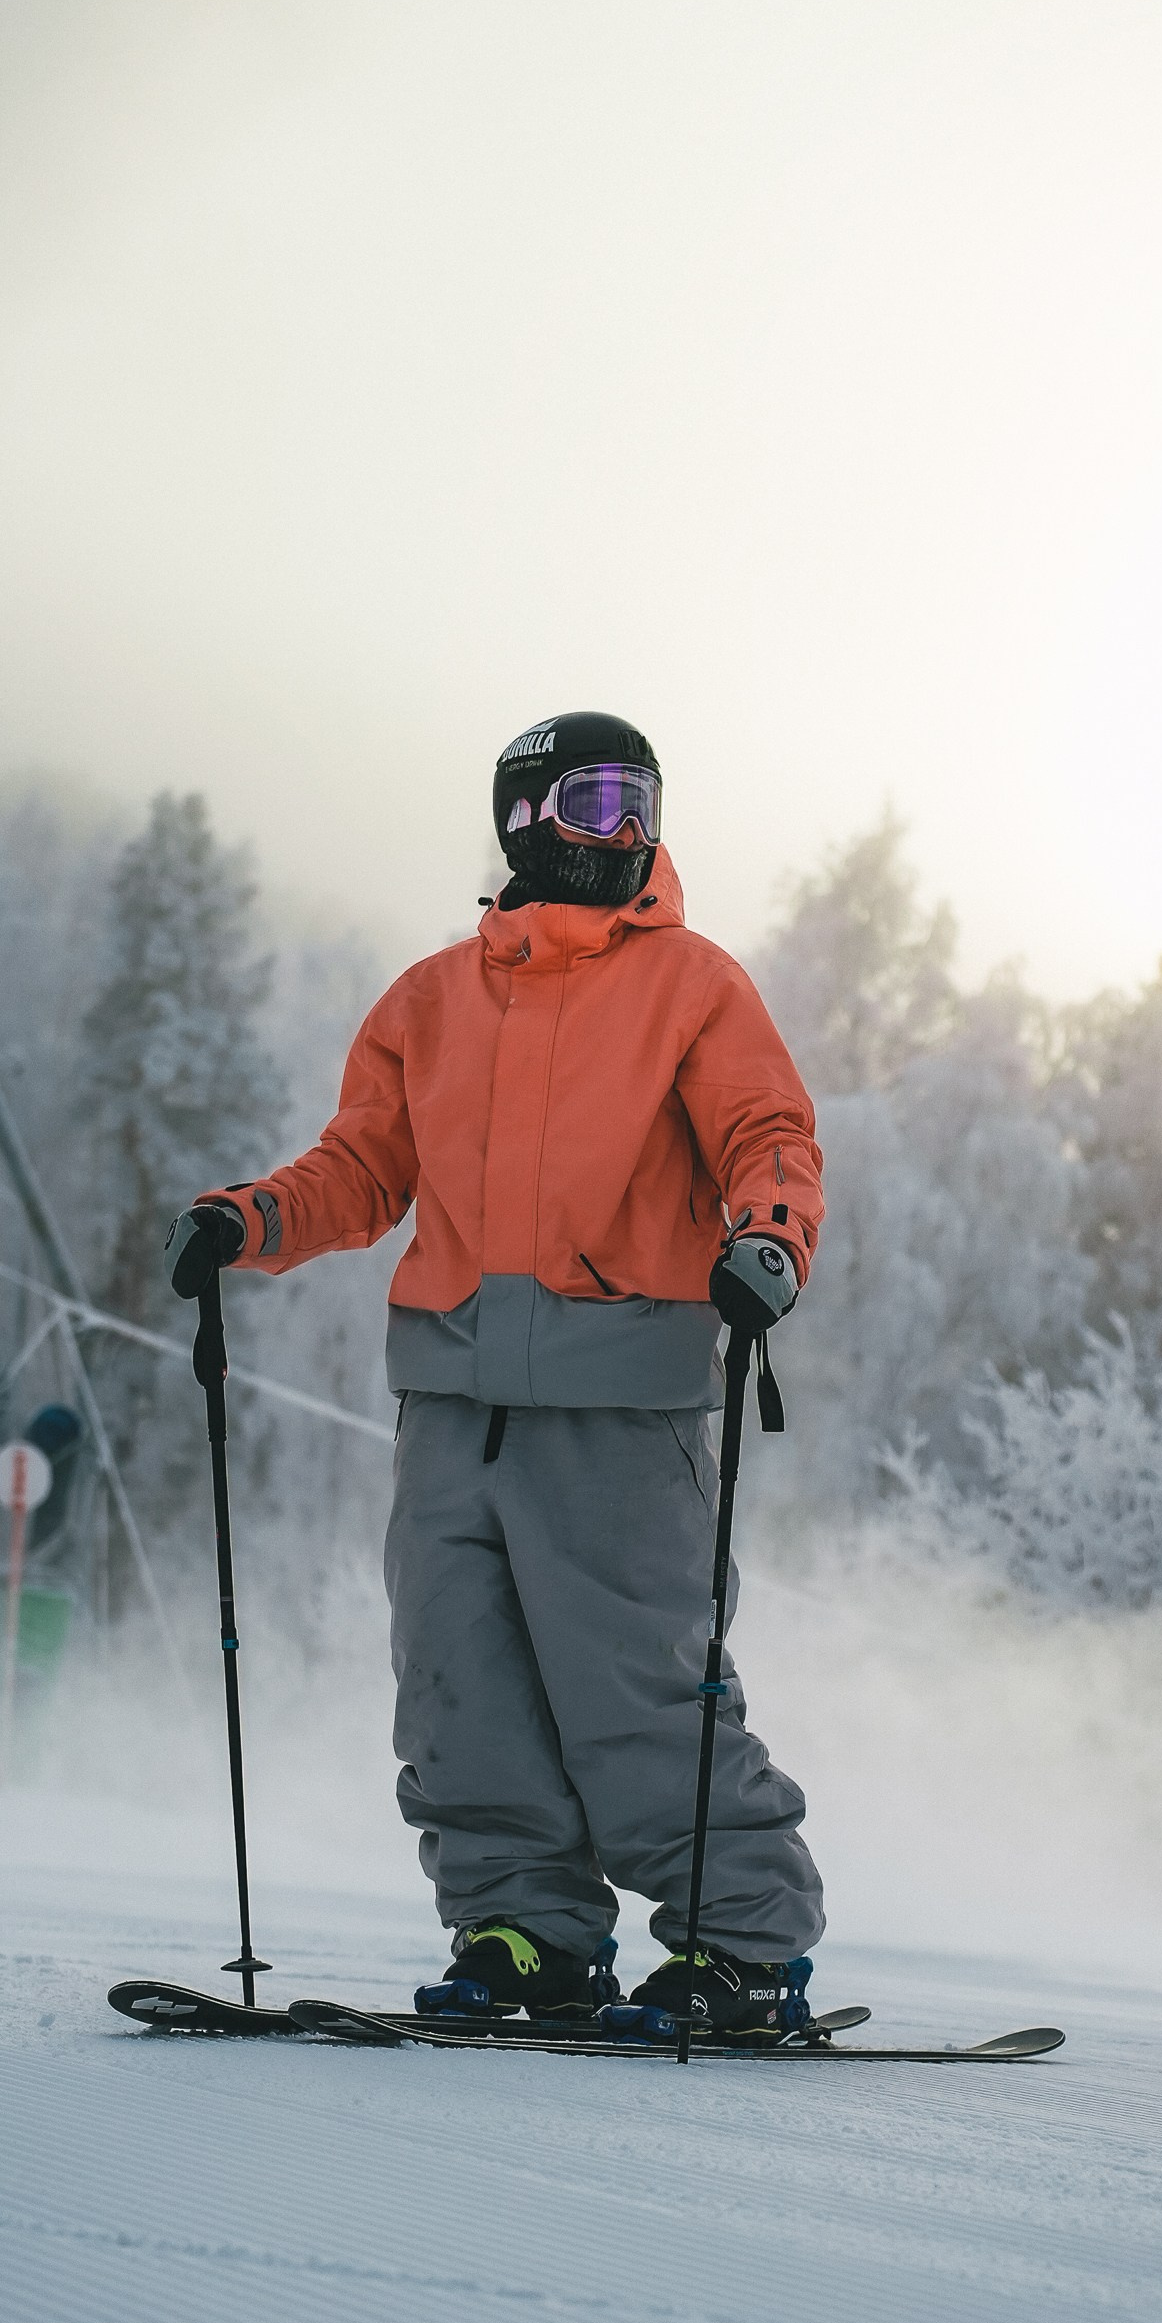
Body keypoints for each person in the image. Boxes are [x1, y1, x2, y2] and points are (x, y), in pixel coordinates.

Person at [161, 710, 825, 2037]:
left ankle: (739, 1944)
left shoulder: (693, 984)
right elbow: (363, 1165)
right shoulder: (430, 999)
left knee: (637, 1679)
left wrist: (768, 1240)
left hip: (619, 1399)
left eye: (639, 804)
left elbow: (766, 1131)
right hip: (455, 1399)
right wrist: (253, 1220)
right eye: (591, 803)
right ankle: (524, 1930)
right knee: (459, 1680)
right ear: (523, 817)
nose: (622, 833)